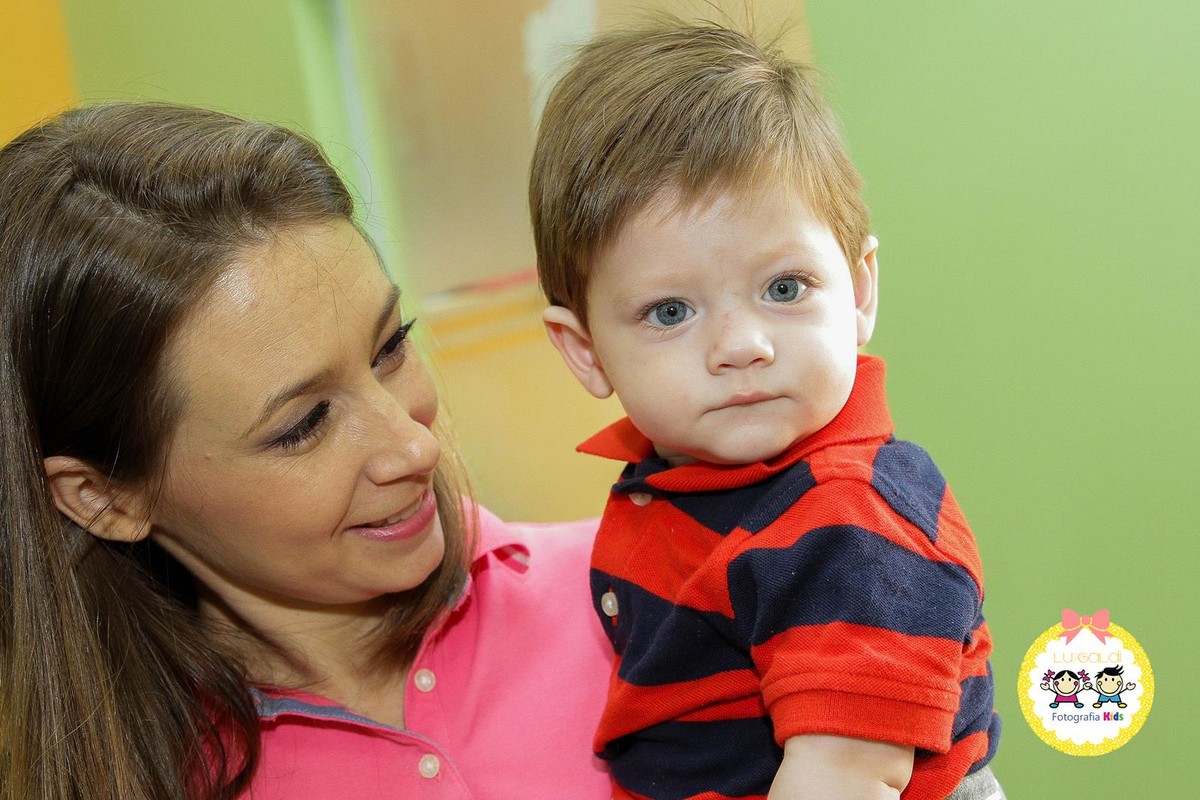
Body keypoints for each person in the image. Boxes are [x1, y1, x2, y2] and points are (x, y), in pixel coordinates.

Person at [0, 102, 612, 800]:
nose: (412, 446)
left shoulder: (654, 596)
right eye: (304, 424)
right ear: (103, 497)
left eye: (390, 347)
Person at [530, 22, 1003, 800]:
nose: (741, 345)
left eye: (784, 289)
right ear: (585, 352)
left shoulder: (850, 520)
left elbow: (848, 776)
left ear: (858, 292)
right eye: (671, 311)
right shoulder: (683, 485)